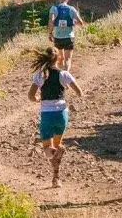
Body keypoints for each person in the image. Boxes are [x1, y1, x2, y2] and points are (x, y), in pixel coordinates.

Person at [28, 49, 84, 188]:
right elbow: (79, 92)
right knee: (58, 146)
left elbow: (31, 95)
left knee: (48, 148)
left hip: (47, 114)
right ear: (58, 59)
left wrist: (37, 99)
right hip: (61, 114)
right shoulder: (64, 74)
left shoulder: (40, 75)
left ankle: (55, 164)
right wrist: (68, 90)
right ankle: (56, 178)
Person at [48, 0, 84, 66]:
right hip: (69, 37)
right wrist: (73, 23)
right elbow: (81, 22)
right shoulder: (71, 9)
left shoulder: (54, 8)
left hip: (58, 37)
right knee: (68, 59)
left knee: (60, 58)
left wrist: (50, 33)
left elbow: (51, 21)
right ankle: (66, 75)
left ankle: (60, 76)